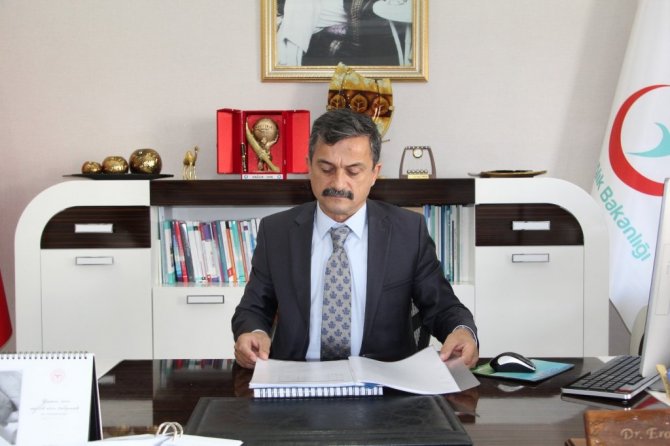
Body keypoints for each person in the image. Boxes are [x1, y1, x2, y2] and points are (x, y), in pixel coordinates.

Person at [232, 108, 479, 369]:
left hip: (384, 380)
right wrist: (253, 333)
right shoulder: (277, 231)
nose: (338, 183)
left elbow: (442, 306)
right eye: (326, 168)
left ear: (374, 173)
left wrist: (462, 331)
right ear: (309, 166)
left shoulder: (407, 231)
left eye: (353, 171)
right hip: (297, 377)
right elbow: (253, 308)